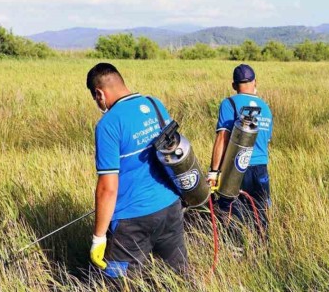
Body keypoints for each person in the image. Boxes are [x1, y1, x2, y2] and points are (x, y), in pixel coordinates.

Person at [86, 62, 187, 278]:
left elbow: (107, 188)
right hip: (171, 208)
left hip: (132, 221)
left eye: (96, 99)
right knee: (179, 277)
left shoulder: (108, 124)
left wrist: (99, 238)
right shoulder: (155, 104)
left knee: (117, 286)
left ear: (99, 93)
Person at [207, 64, 273, 235]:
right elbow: (267, 140)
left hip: (236, 169)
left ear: (234, 85)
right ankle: (263, 251)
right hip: (261, 168)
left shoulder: (229, 103)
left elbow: (223, 137)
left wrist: (214, 172)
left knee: (233, 215)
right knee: (260, 214)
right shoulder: (265, 107)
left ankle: (237, 252)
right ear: (255, 82)